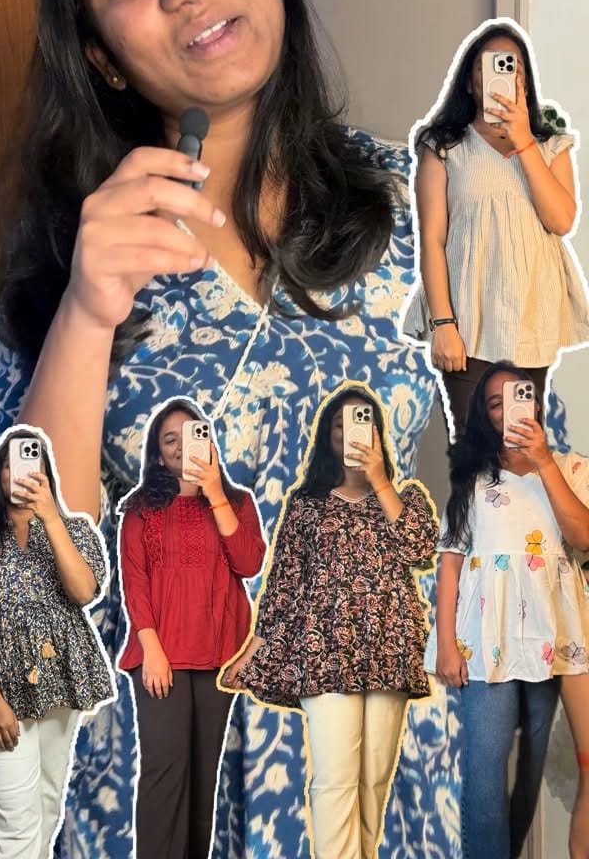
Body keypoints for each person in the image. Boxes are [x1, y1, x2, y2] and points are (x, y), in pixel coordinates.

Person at [0, 0, 442, 857]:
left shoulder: (405, 205)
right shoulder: (64, 263)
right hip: (153, 747)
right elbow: (14, 570)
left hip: (374, 736)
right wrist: (86, 315)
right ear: (103, 55)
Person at [222, 387, 438, 859]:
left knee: (374, 779)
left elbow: (420, 551)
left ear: (377, 433)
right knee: (335, 777)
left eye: (361, 422)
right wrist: (253, 651)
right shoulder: (306, 505)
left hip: (388, 647)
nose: (349, 433)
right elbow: (283, 584)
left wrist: (379, 480)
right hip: (323, 649)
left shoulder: (407, 499)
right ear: (328, 436)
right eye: (340, 425)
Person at [426, 361, 589, 859]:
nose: (508, 410)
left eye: (517, 396)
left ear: (534, 402)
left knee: (533, 773)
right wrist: (447, 644)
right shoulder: (472, 480)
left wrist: (544, 462)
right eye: (495, 403)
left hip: (558, 636)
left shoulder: (572, 468)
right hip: (486, 638)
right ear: (486, 415)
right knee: (486, 774)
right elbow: (450, 566)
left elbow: (582, 537)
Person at [401, 20, 589, 434]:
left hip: (532, 320)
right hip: (467, 324)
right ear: (470, 82)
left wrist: (523, 140)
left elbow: (560, 221)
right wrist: (443, 325)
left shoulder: (550, 145)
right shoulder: (444, 147)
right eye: (488, 65)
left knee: (521, 449)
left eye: (511, 65)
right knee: (475, 452)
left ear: (525, 82)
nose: (500, 74)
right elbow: (432, 240)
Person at [0, 427, 114, 859]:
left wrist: (52, 519)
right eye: (9, 465)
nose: (19, 472)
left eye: (30, 462)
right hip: (0, 689)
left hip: (62, 681)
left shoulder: (75, 530)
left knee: (46, 802)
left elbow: (82, 592)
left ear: (45, 473)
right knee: (12, 814)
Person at [117, 401, 265, 859]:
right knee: (165, 771)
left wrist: (215, 491)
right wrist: (151, 649)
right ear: (159, 456)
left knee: (204, 780)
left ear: (209, 442)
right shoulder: (140, 510)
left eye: (190, 435)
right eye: (170, 440)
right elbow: (135, 583)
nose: (181, 447)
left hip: (220, 655)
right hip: (159, 655)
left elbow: (249, 563)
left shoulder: (238, 503)